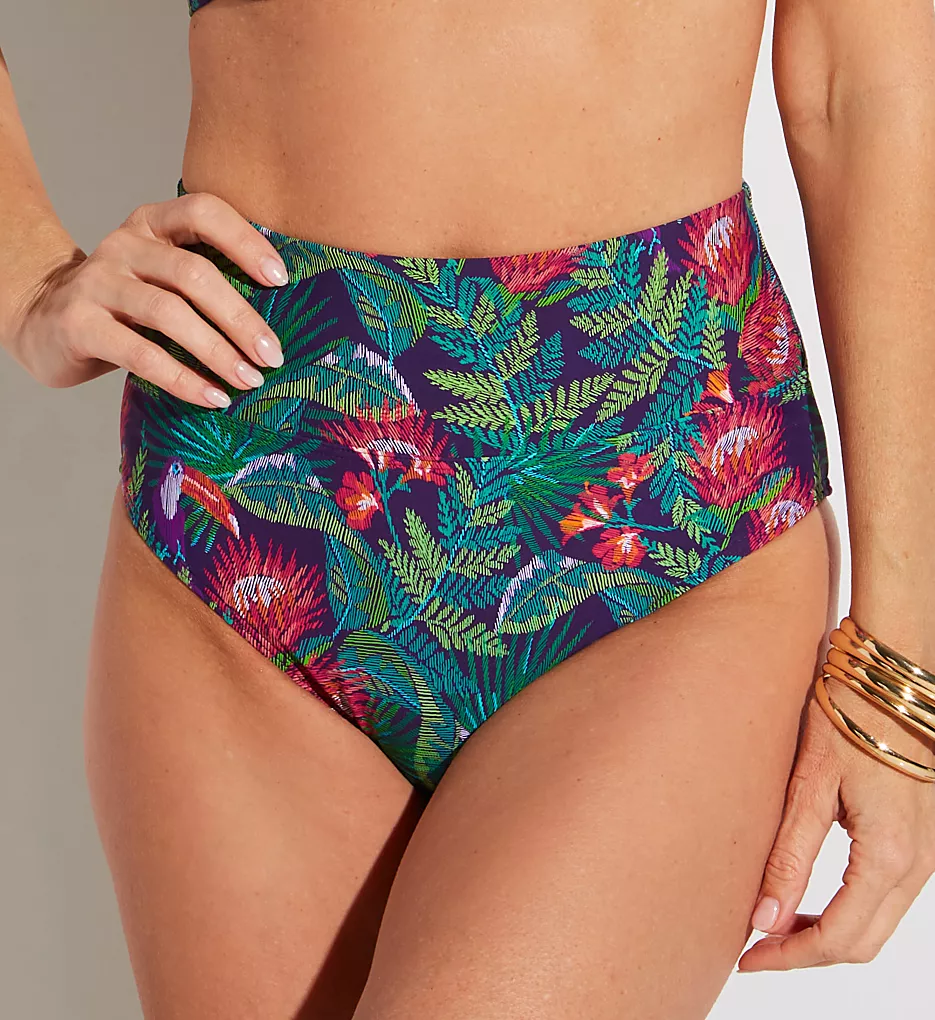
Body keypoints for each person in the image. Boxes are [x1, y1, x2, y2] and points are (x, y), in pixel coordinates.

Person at [1, 0, 934, 1016]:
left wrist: (904, 674)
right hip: (249, 477)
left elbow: (863, 85)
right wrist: (26, 280)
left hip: (662, 491)